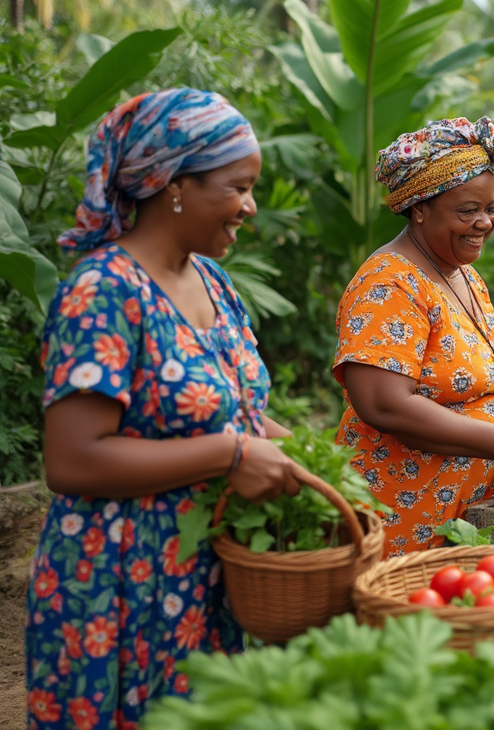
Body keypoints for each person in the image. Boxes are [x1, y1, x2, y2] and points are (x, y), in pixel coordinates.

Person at [26, 88, 304, 728]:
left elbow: (232, 409)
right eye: (237, 188)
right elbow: (72, 460)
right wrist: (231, 454)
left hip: (210, 571)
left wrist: (308, 457)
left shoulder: (212, 281)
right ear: (173, 185)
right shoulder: (102, 292)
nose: (250, 207)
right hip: (121, 582)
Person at [333, 117, 494, 557]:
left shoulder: (463, 275)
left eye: (491, 208)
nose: (484, 222)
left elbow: (488, 371)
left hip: (469, 514)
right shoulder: (389, 283)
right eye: (468, 210)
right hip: (406, 520)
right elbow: (384, 403)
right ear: (419, 207)